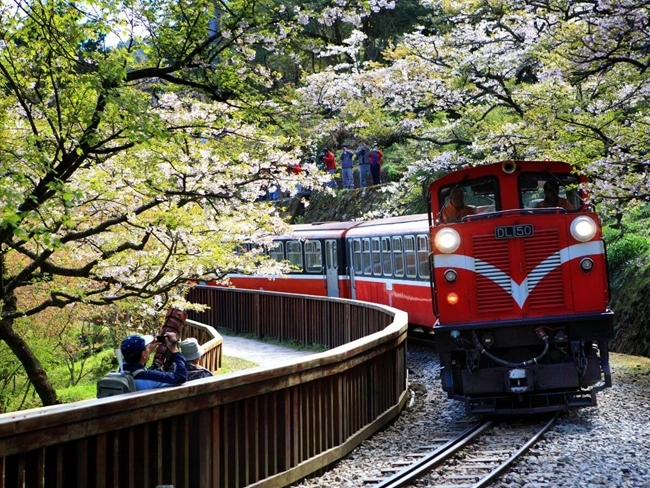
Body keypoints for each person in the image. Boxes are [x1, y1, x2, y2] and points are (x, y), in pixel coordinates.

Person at [120, 333, 187, 390]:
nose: (149, 348)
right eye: (147, 347)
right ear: (143, 354)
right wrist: (174, 350)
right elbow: (180, 377)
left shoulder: (121, 371)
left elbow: (137, 365)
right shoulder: (148, 376)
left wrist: (147, 353)